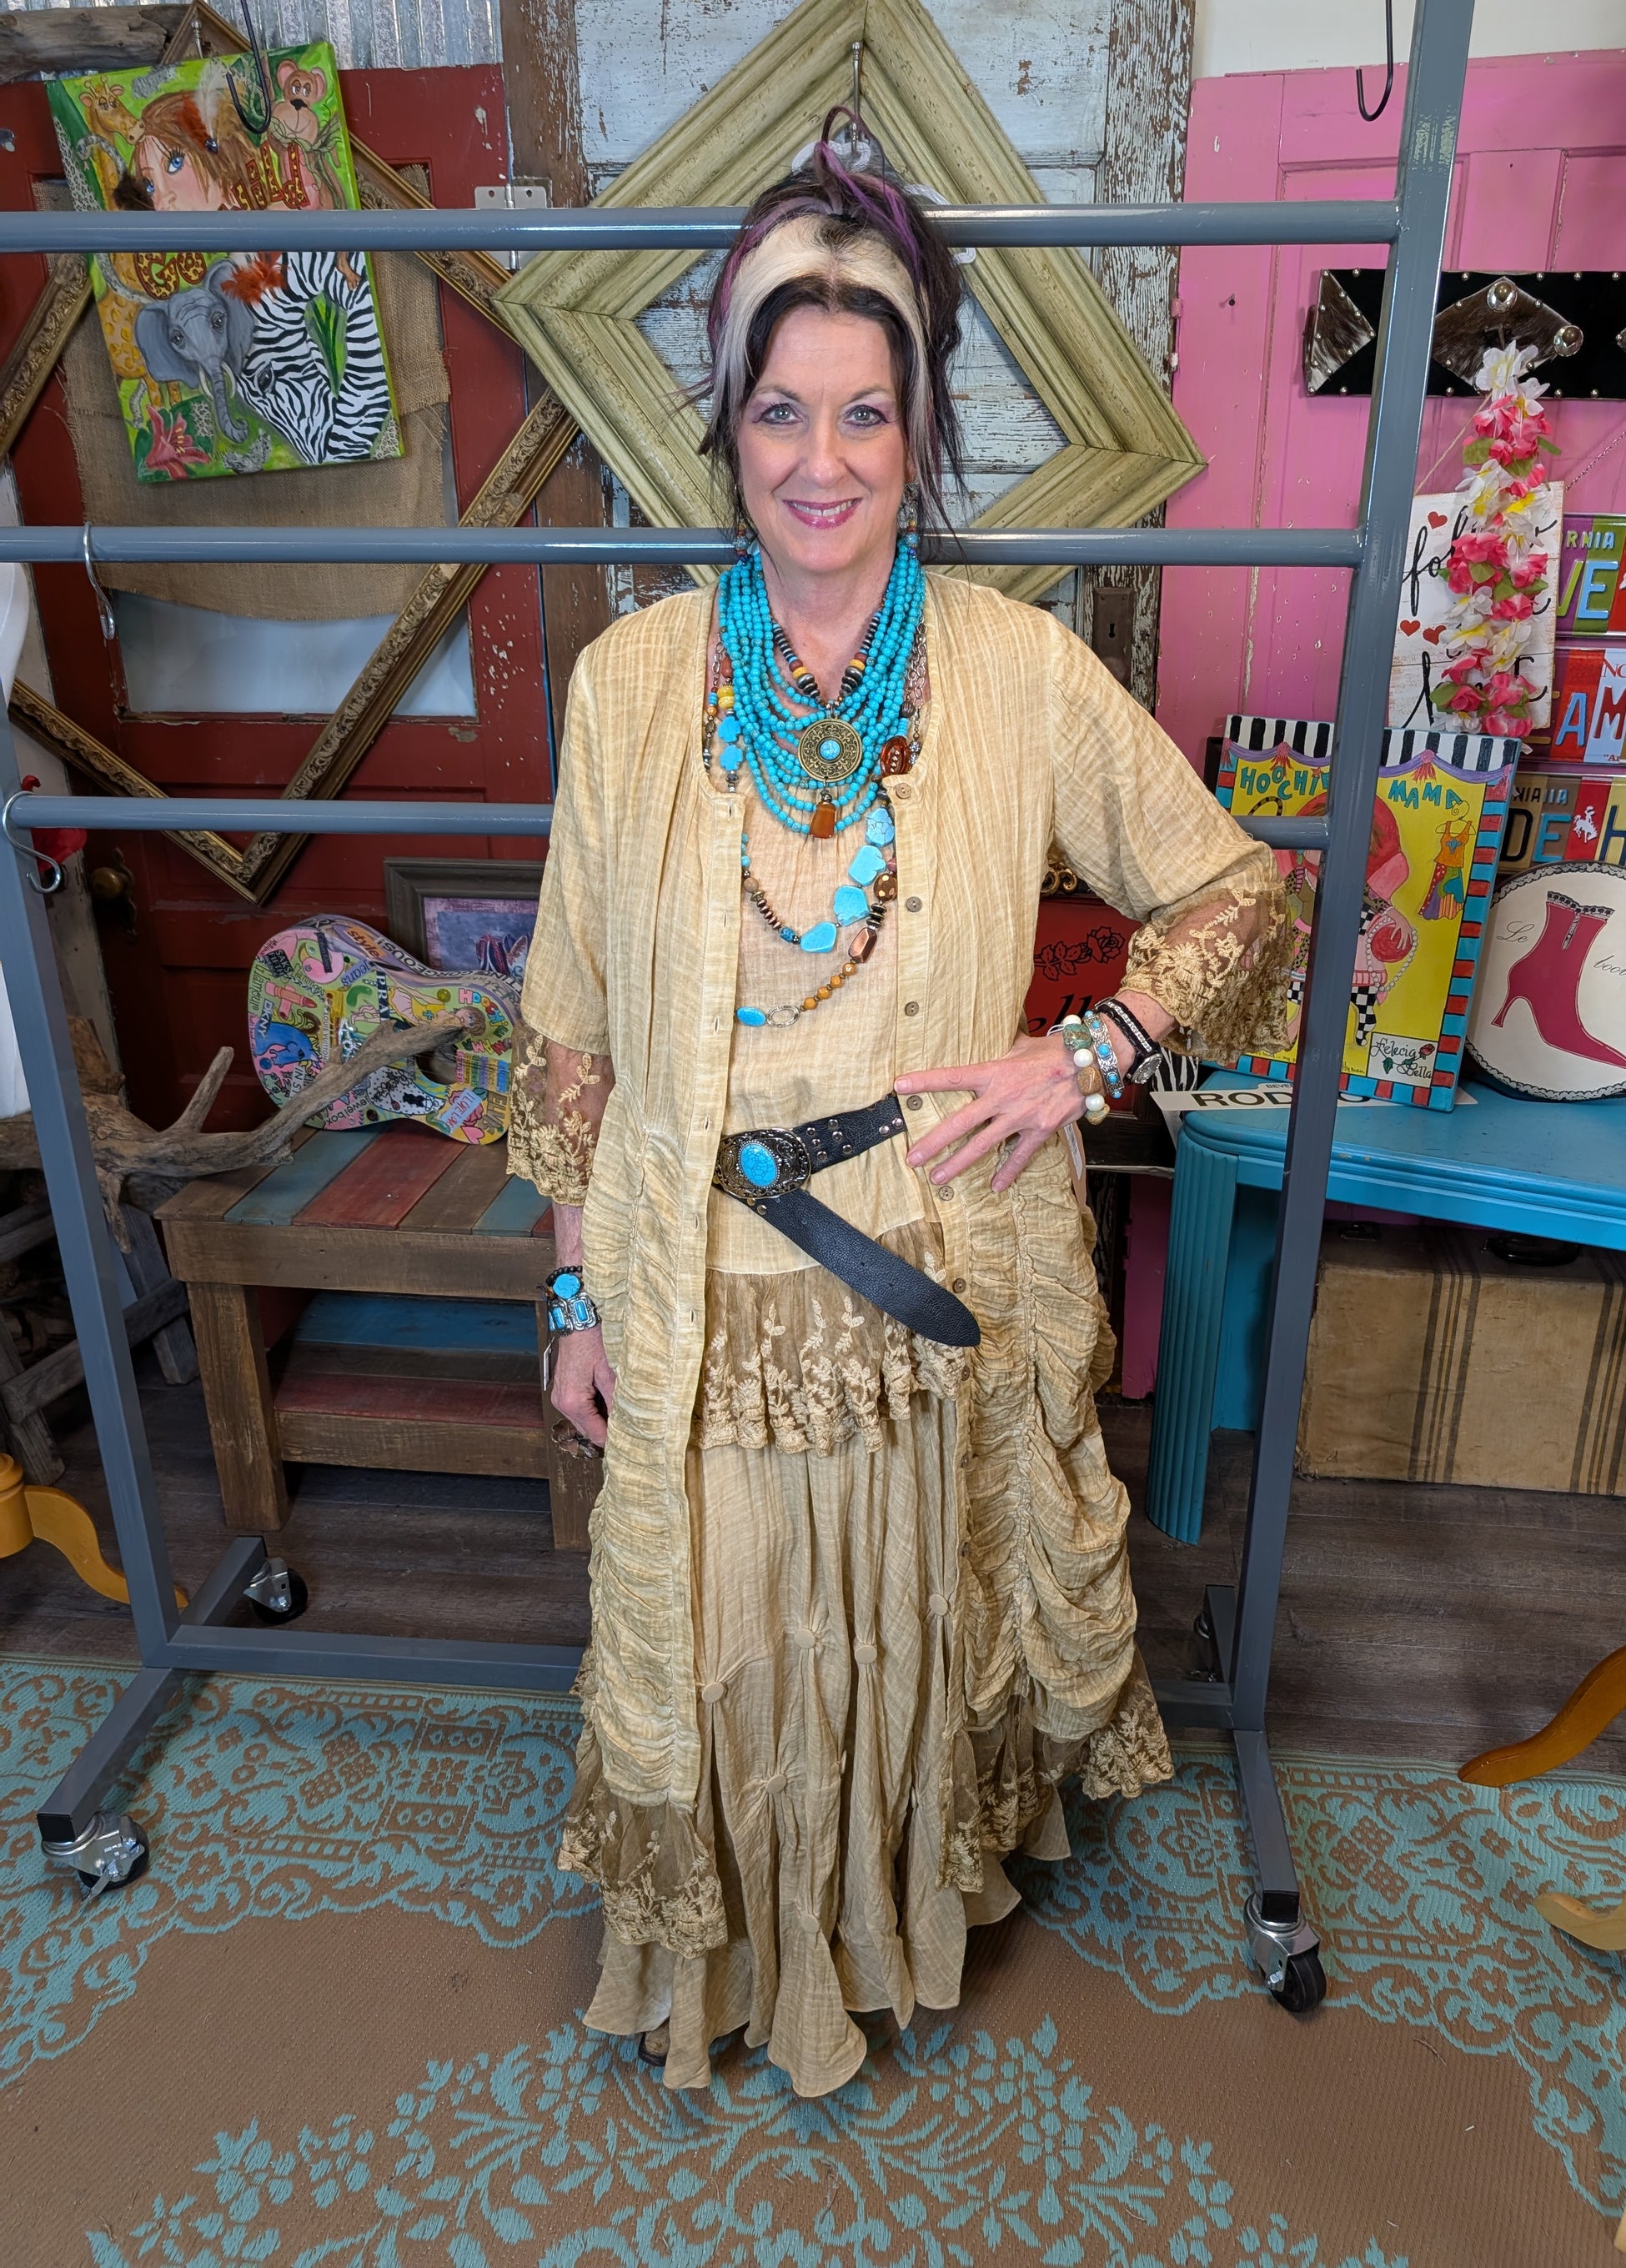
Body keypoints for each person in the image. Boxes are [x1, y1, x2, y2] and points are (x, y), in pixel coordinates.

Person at [509, 123, 1290, 2100]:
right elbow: (572, 1032)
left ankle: (881, 1938)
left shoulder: (1019, 674)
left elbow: (1237, 891)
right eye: (781, 410)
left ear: (920, 424)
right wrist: (573, 1291)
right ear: (728, 425)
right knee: (727, 1643)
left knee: (904, 1636)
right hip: (698, 1295)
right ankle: (745, 1961)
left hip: (927, 1285)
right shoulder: (627, 688)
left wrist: (1081, 1055)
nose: (822, 461)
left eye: (865, 412)